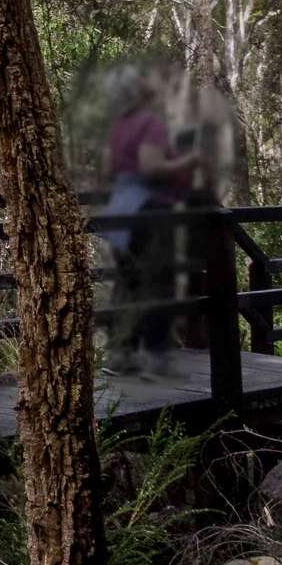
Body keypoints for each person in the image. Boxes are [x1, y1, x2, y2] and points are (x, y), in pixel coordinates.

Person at [102, 66, 200, 377]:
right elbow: (151, 166)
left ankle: (121, 354)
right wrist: (190, 160)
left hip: (120, 212)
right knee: (158, 281)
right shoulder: (150, 123)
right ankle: (155, 355)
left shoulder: (118, 126)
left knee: (127, 283)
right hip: (149, 212)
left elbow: (107, 170)